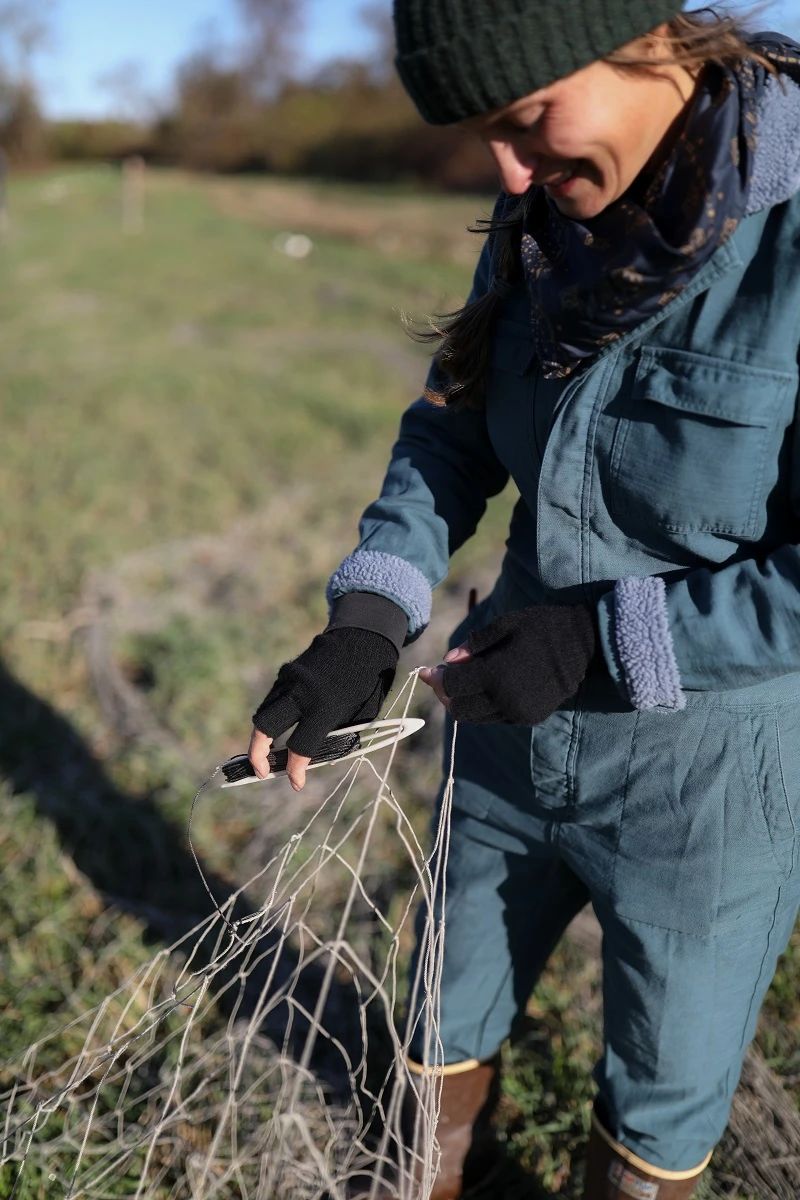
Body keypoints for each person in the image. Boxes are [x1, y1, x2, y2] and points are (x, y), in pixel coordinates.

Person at [248, 3, 800, 1197]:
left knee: (663, 1091)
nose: (507, 172)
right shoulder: (538, 218)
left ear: (651, 41)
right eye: (482, 137)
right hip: (502, 728)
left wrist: (603, 642)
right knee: (438, 1014)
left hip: (709, 777)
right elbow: (449, 432)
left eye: (529, 117)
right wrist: (365, 623)